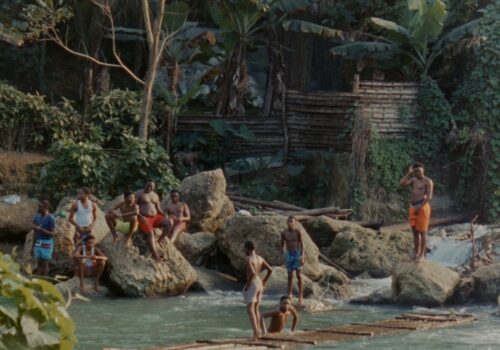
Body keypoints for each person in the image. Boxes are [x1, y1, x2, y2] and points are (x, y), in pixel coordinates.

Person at [400, 162, 434, 261]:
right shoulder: (413, 180)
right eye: (415, 171)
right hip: (413, 207)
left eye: (419, 170)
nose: (417, 172)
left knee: (422, 232)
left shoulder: (428, 181)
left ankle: (422, 255)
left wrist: (420, 206)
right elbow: (401, 183)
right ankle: (416, 253)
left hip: (423, 207)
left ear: (423, 170)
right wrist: (409, 173)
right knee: (415, 232)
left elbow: (429, 197)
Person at [243, 240, 273, 339]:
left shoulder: (248, 258)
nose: (244, 250)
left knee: (250, 309)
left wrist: (247, 285)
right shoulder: (260, 258)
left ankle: (256, 332)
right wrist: (264, 281)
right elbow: (270, 270)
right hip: (259, 283)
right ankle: (258, 331)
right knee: (256, 308)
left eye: (245, 248)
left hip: (253, 283)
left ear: (247, 248)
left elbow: (252, 273)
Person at [135, 180, 169, 261]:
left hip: (155, 217)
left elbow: (158, 209)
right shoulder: (138, 193)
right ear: (145, 185)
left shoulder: (155, 196)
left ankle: (159, 241)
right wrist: (140, 216)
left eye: (151, 186)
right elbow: (133, 207)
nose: (149, 188)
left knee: (169, 223)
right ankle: (155, 254)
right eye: (148, 186)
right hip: (143, 217)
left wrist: (164, 214)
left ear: (154, 187)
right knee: (150, 233)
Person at [281, 216, 305, 305]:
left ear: (295, 223)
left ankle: (300, 296)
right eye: (289, 221)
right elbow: (282, 244)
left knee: (299, 275)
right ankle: (290, 295)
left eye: (292, 221)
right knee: (290, 276)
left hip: (297, 254)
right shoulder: (284, 233)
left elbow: (302, 244)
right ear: (287, 223)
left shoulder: (298, 232)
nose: (290, 223)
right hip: (289, 254)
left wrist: (302, 255)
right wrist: (283, 253)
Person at [31, 200, 56, 276]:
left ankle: (45, 280)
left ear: (45, 207)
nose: (38, 208)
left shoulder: (51, 218)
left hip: (47, 242)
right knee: (39, 263)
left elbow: (52, 234)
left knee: (45, 264)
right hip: (38, 241)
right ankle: (38, 280)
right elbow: (34, 231)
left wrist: (42, 230)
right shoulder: (37, 217)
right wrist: (33, 245)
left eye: (40, 207)